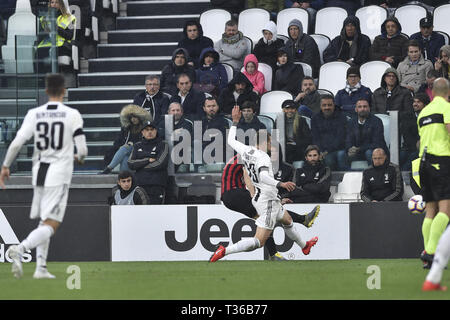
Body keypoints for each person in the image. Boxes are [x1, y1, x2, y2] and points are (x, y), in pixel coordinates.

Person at [1, 73, 87, 279]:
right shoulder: (71, 114)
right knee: (52, 224)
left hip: (39, 172)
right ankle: (19, 249)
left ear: (47, 91)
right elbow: (82, 149)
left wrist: (5, 165)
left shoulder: (34, 113)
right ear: (64, 91)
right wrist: (79, 156)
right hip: (58, 174)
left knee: (45, 220)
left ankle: (41, 268)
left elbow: (16, 143)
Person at [210, 106, 319, 263]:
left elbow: (230, 140)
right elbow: (263, 176)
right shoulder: (263, 158)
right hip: (265, 201)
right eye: (270, 143)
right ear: (266, 142)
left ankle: (304, 245)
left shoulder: (246, 151)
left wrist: (235, 122)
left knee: (287, 220)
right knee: (258, 241)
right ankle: (225, 251)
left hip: (267, 197)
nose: (272, 146)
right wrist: (281, 183)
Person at [220, 148, 320, 261]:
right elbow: (247, 174)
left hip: (229, 195)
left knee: (271, 216)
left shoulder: (240, 156)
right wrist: (254, 195)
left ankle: (299, 238)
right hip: (234, 194)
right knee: (266, 217)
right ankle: (301, 222)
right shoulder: (249, 157)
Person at [416, 78, 450, 274]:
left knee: (430, 210)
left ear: (433, 92)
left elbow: (420, 142)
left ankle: (428, 256)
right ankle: (430, 252)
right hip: (441, 160)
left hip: (423, 162)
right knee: (445, 210)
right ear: (447, 92)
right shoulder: (446, 108)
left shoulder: (424, 112)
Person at [100, 104, 151, 174]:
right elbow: (118, 141)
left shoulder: (145, 128)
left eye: (136, 117)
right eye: (132, 117)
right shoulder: (126, 128)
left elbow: (147, 142)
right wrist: (121, 146)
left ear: (140, 117)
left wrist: (132, 144)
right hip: (127, 152)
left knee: (125, 149)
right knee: (125, 157)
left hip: (141, 151)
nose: (133, 119)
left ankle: (109, 168)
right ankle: (124, 176)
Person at [127, 120, 169, 204]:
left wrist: (139, 167)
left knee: (156, 212)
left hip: (156, 185)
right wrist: (147, 160)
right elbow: (130, 163)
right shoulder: (137, 145)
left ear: (156, 131)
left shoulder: (163, 144)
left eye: (152, 129)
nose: (149, 132)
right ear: (142, 132)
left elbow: (160, 163)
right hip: (139, 185)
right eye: (147, 130)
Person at [345, 99, 388, 169]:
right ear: (356, 109)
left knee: (369, 153)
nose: (362, 109)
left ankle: (374, 174)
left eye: (365, 106)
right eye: (360, 107)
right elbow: (348, 139)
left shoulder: (376, 121)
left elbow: (377, 143)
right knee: (341, 155)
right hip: (357, 151)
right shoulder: (351, 122)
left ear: (369, 108)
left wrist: (359, 149)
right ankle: (347, 177)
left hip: (372, 150)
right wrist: (350, 148)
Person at [36, 0, 76, 72]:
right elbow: (39, 37)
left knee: (51, 52)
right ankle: (41, 79)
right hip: (47, 45)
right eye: (52, 2)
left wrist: (57, 28)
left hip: (63, 46)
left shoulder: (70, 18)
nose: (54, 4)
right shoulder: (44, 19)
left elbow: (70, 36)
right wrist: (45, 32)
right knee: (39, 52)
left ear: (61, 4)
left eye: (57, 2)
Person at [311, 95, 348, 171]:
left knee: (334, 158)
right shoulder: (315, 118)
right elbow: (315, 137)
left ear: (334, 105)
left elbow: (340, 138)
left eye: (329, 105)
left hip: (339, 148)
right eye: (324, 105)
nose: (327, 107)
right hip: (322, 150)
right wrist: (320, 151)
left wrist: (327, 151)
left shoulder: (342, 117)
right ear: (320, 106)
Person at [399, 93, 429, 171]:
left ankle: (404, 177)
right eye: (414, 102)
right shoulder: (406, 116)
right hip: (408, 147)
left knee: (411, 159)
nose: (415, 104)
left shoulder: (430, 117)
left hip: (424, 148)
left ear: (425, 104)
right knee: (400, 157)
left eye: (418, 102)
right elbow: (406, 135)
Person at [281, 99, 312, 163]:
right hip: (285, 147)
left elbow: (308, 138)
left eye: (292, 108)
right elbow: (275, 137)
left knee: (289, 150)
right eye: (287, 109)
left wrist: (295, 143)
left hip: (298, 148)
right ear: (284, 110)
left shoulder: (301, 120)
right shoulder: (279, 121)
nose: (290, 111)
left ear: (295, 110)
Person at [201, 97, 230, 164]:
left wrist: (207, 136)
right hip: (203, 153)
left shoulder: (224, 121)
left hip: (220, 154)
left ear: (218, 107)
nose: (211, 108)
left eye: (213, 106)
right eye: (208, 106)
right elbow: (197, 139)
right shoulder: (200, 122)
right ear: (204, 108)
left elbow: (224, 138)